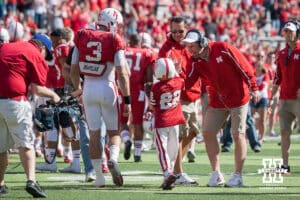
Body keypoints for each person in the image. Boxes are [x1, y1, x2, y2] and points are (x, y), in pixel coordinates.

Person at [182, 29, 259, 187]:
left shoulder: (223, 48)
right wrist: (173, 81)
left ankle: (238, 176)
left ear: (202, 42)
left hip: (239, 97)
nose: (189, 49)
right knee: (208, 132)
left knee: (238, 134)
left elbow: (244, 66)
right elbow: (188, 82)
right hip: (218, 99)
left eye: (192, 46)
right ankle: (216, 174)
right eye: (188, 46)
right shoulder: (195, 60)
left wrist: (254, 87)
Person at [70, 8, 131, 187]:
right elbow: (122, 73)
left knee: (94, 134)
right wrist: (127, 99)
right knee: (114, 131)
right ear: (112, 23)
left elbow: (74, 71)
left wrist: (79, 90)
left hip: (88, 87)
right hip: (107, 86)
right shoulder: (113, 39)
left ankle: (99, 177)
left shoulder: (82, 36)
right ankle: (112, 158)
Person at [0, 33, 60, 197]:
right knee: (26, 144)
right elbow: (37, 89)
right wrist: (54, 96)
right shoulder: (34, 53)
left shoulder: (7, 46)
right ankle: (31, 180)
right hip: (15, 102)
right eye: (46, 53)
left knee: (1, 147)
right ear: (42, 48)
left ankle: (1, 184)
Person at [158, 16, 198, 186]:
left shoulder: (191, 44)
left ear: (186, 29)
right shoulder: (166, 49)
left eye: (180, 31)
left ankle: (174, 170)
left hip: (193, 94)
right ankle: (178, 172)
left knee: (193, 132)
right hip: (178, 95)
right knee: (181, 135)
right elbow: (160, 74)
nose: (177, 34)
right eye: (173, 31)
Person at [150, 58, 186, 190]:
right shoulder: (179, 82)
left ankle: (167, 173)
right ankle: (170, 171)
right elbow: (179, 78)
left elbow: (153, 105)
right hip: (175, 120)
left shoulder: (156, 87)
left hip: (162, 121)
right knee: (173, 148)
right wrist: (176, 71)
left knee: (162, 149)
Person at [269, 21, 300, 174]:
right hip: (284, 98)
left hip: (298, 99)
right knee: (284, 132)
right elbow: (277, 77)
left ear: (297, 33)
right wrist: (272, 95)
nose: (288, 34)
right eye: (286, 31)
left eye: (291, 31)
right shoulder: (281, 53)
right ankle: (285, 166)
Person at [123, 34, 155, 162]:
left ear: (129, 41)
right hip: (139, 90)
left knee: (122, 121)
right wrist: (149, 93)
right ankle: (137, 153)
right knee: (138, 122)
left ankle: (126, 140)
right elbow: (149, 78)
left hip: (123, 89)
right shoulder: (146, 53)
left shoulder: (124, 51)